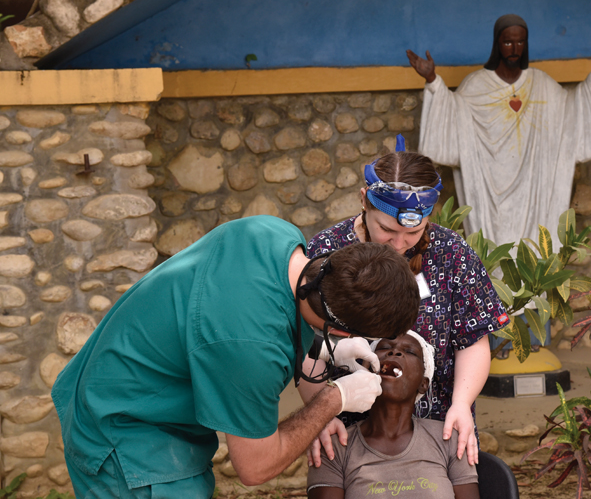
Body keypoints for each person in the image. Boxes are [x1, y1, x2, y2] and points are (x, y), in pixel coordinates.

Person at [52, 215, 421, 498]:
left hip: (112, 376)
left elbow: (294, 311)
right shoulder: (248, 349)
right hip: (127, 437)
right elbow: (255, 468)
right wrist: (334, 398)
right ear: (343, 328)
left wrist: (327, 348)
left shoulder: (274, 235)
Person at [303, 143, 507, 466]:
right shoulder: (328, 253)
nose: (399, 244)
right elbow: (304, 342)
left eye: (413, 232)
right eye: (386, 229)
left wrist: (461, 404)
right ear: (363, 201)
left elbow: (472, 340)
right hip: (346, 437)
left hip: (440, 434)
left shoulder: (453, 255)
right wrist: (317, 412)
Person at [406, 13, 591, 250]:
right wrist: (432, 79)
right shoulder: (477, 84)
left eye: (520, 42)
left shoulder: (541, 83)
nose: (515, 48)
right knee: (496, 253)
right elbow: (455, 113)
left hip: (534, 189)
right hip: (489, 188)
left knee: (534, 249)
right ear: (497, 44)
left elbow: (570, 111)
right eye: (508, 42)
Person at [307, 331, 480, 499]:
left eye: (410, 351)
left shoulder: (449, 439)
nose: (395, 351)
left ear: (423, 384)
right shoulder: (334, 446)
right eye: (385, 347)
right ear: (365, 371)